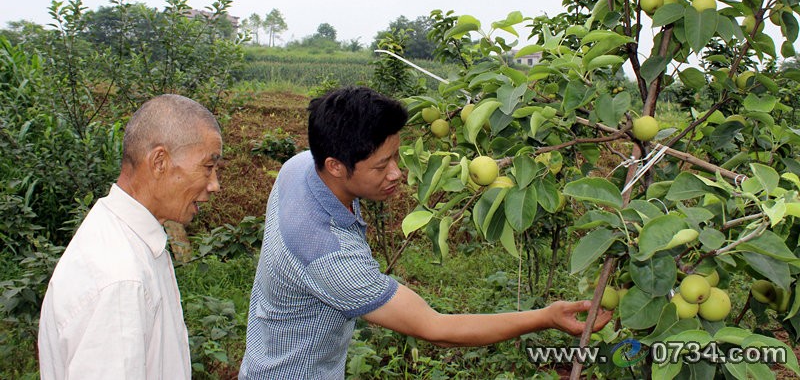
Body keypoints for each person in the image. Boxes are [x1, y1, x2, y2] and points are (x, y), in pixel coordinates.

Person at [239, 86, 612, 379]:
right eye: (382, 165)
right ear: (336, 166)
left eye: (396, 157)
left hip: (266, 359)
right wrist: (545, 316)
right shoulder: (329, 257)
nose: (397, 173)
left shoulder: (300, 166)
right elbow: (436, 327)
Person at [38, 94, 223, 379]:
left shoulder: (133, 241)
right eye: (208, 168)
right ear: (160, 161)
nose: (214, 185)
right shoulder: (120, 281)